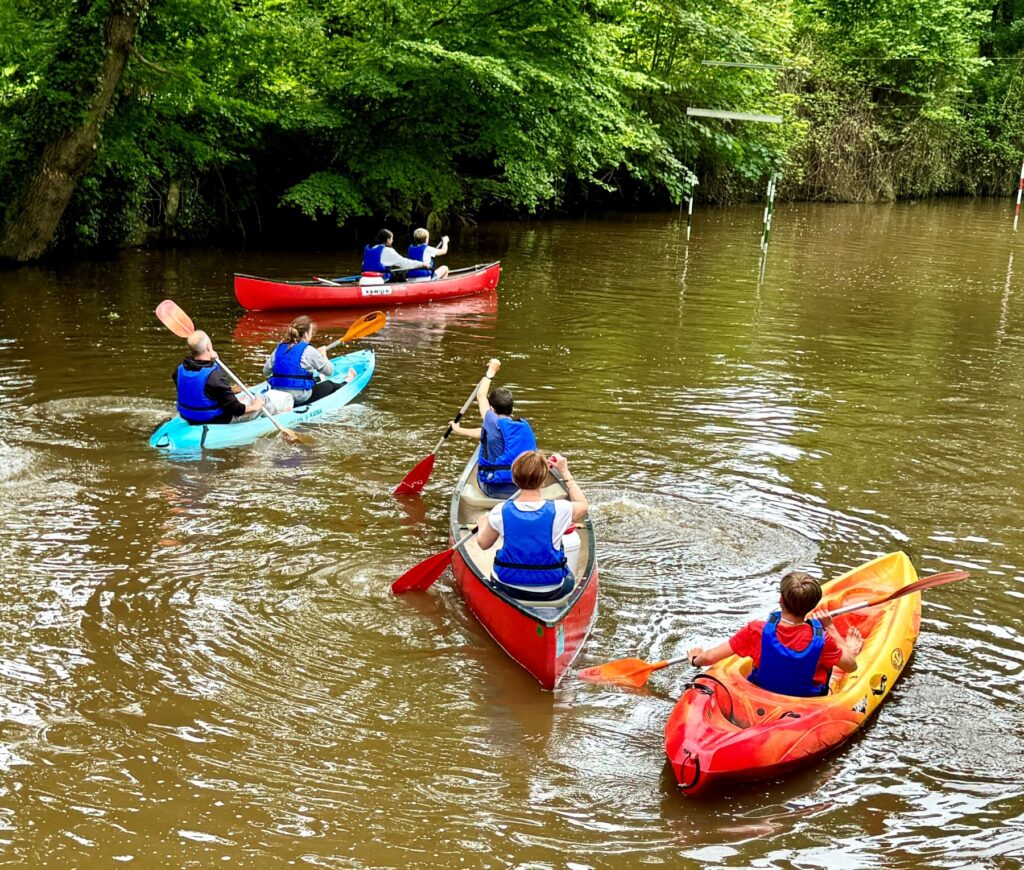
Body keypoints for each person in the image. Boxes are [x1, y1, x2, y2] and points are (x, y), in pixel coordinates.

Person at [687, 571, 865, 697]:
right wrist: (833, 630)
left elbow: (710, 657)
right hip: (804, 700)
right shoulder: (823, 640)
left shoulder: (755, 630)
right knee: (831, 662)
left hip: (759, 694)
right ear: (812, 606)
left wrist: (695, 659)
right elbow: (851, 667)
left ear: (781, 600)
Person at [476, 451, 589, 601]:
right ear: (543, 480)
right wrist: (565, 472)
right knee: (569, 578)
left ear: (514, 478)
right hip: (552, 588)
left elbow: (483, 544)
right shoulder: (561, 509)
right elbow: (583, 505)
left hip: (508, 585)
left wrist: (483, 523)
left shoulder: (500, 510)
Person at [449, 358, 537, 498]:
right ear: (512, 408)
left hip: (494, 490)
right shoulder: (523, 427)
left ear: (491, 408)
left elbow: (481, 395)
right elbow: (484, 433)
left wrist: (491, 371)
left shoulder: (491, 423)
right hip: (520, 489)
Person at [173, 330, 293, 425]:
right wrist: (254, 407)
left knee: (237, 395)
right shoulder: (215, 377)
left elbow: (196, 388)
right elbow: (236, 409)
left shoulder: (179, 370)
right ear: (209, 347)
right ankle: (282, 418)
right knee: (265, 400)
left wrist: (213, 358)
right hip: (216, 419)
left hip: (188, 415)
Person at [262, 315, 346, 407]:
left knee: (307, 379)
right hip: (300, 398)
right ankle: (346, 382)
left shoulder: (279, 348)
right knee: (330, 385)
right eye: (311, 332)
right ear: (306, 334)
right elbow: (329, 371)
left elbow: (266, 372)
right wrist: (323, 355)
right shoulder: (309, 350)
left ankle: (318, 379)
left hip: (278, 395)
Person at [362, 229, 429, 282]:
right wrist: (422, 264)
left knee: (393, 272)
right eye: (392, 239)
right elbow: (404, 263)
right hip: (380, 279)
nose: (392, 241)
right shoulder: (387, 250)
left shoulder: (369, 248)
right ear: (388, 240)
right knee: (401, 274)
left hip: (364, 278)